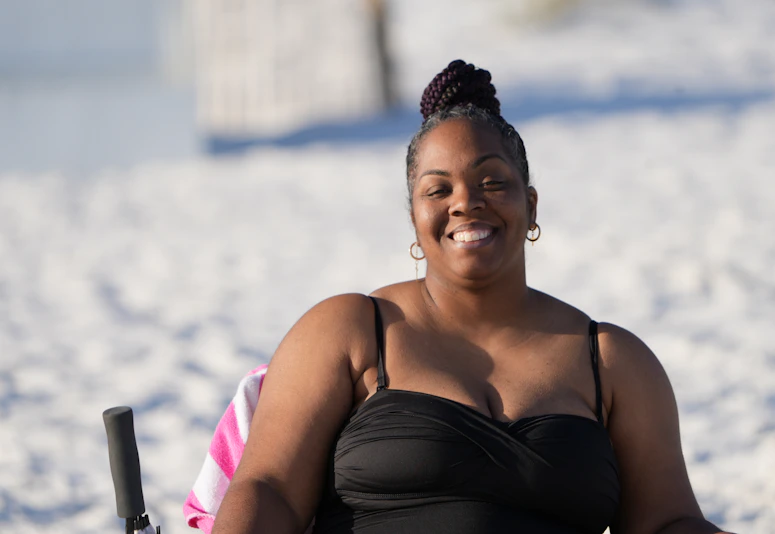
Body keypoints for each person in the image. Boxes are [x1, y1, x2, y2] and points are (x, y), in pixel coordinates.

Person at [211, 60, 731, 534]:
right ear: (415, 218)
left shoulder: (614, 362)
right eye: (439, 190)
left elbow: (669, 522)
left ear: (530, 206)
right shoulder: (349, 331)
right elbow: (269, 488)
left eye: (492, 181)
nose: (466, 203)